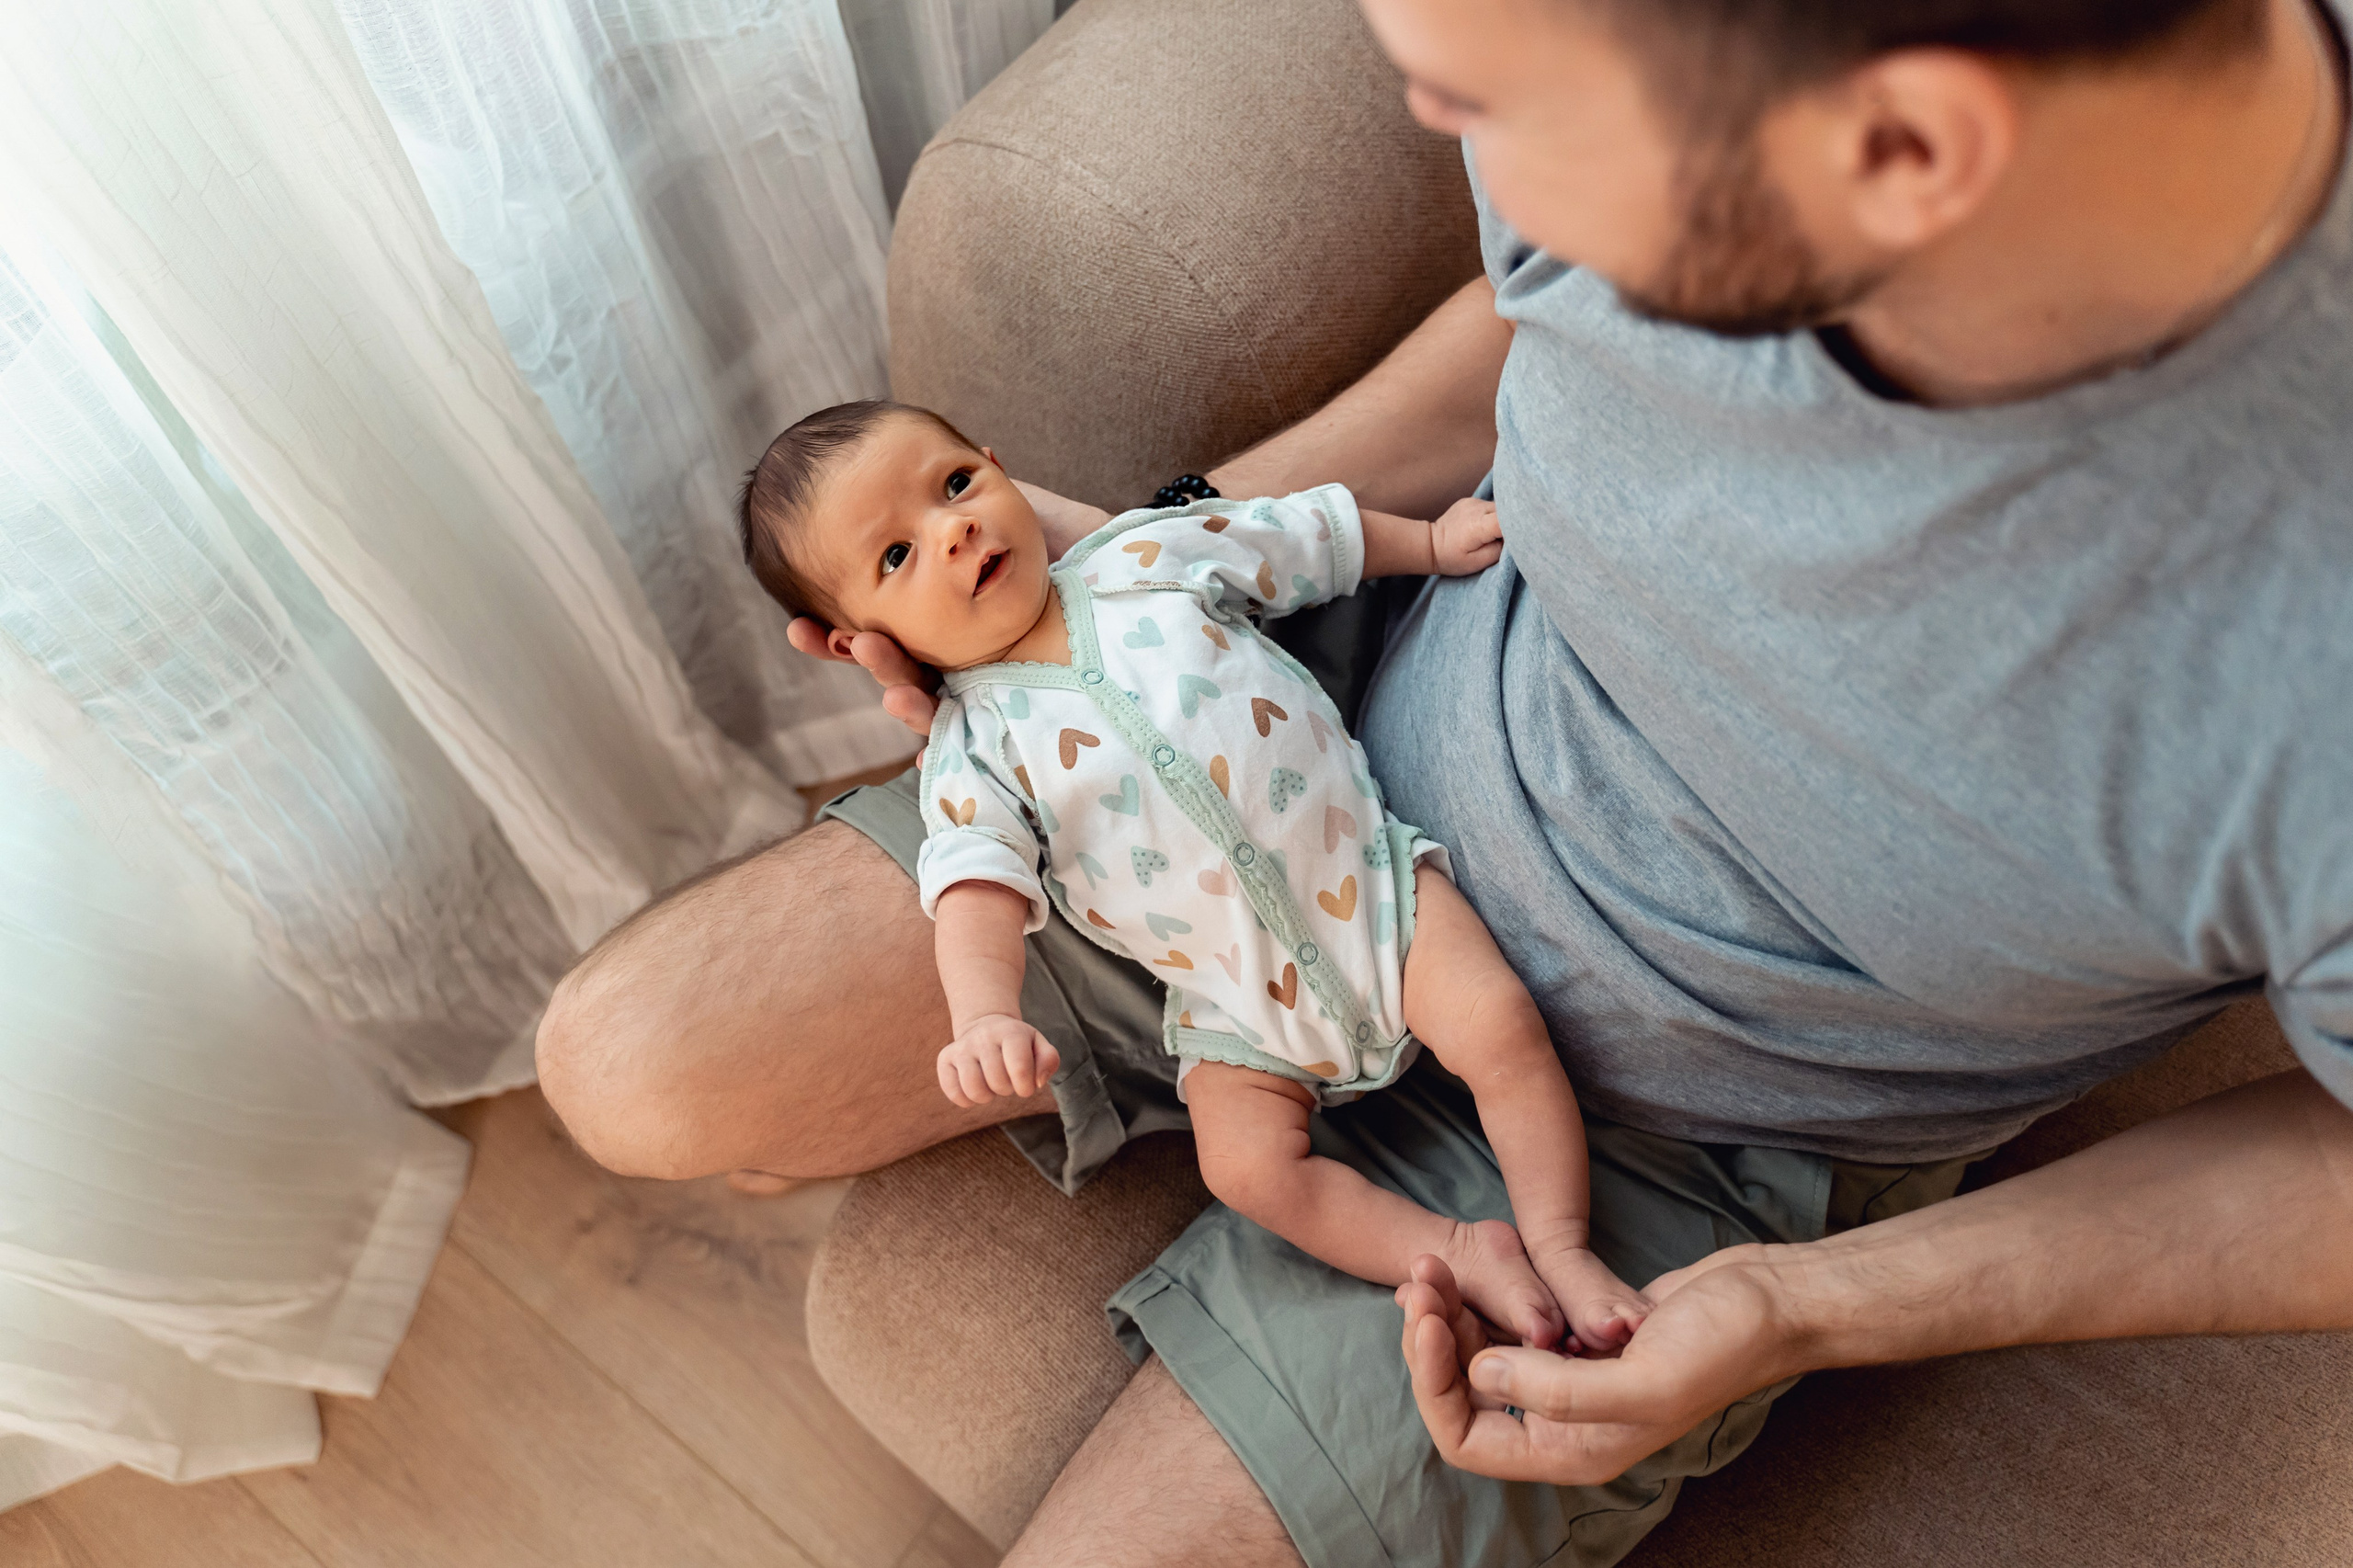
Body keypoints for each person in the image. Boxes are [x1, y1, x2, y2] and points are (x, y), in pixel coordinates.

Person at [533, 0, 2353, 1562]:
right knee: (627, 1067)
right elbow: (1529, 317)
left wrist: (1802, 1313)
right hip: (1315, 725)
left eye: (1481, 106)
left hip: (1701, 1129)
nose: (1433, 130)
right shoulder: (1699, 119)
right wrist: (1143, 602)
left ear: (1898, 151)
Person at [733, 397, 1649, 1352]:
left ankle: (1563, 1243)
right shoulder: (971, 750)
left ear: (1001, 468)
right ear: (852, 639)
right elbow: (973, 888)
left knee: (1499, 1024)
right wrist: (983, 1014)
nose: (953, 527)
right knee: (1248, 1172)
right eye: (896, 556)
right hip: (1234, 1002)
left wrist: (1425, 540)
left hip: (1371, 893)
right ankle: (1463, 1250)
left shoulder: (1139, 556)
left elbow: (1297, 539)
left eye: (957, 484)